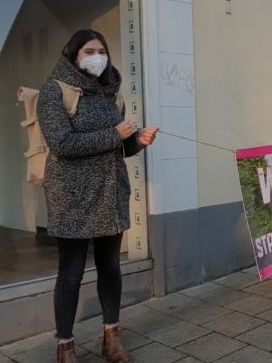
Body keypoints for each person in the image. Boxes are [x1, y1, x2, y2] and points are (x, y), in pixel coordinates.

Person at [38, 29, 159, 363]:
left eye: (102, 51)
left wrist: (137, 142)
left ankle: (112, 337)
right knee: (71, 272)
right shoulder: (54, 91)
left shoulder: (111, 93)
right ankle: (65, 346)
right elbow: (61, 144)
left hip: (110, 192)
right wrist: (114, 134)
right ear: (74, 55)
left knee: (110, 267)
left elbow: (118, 147)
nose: (97, 57)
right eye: (89, 51)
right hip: (71, 196)